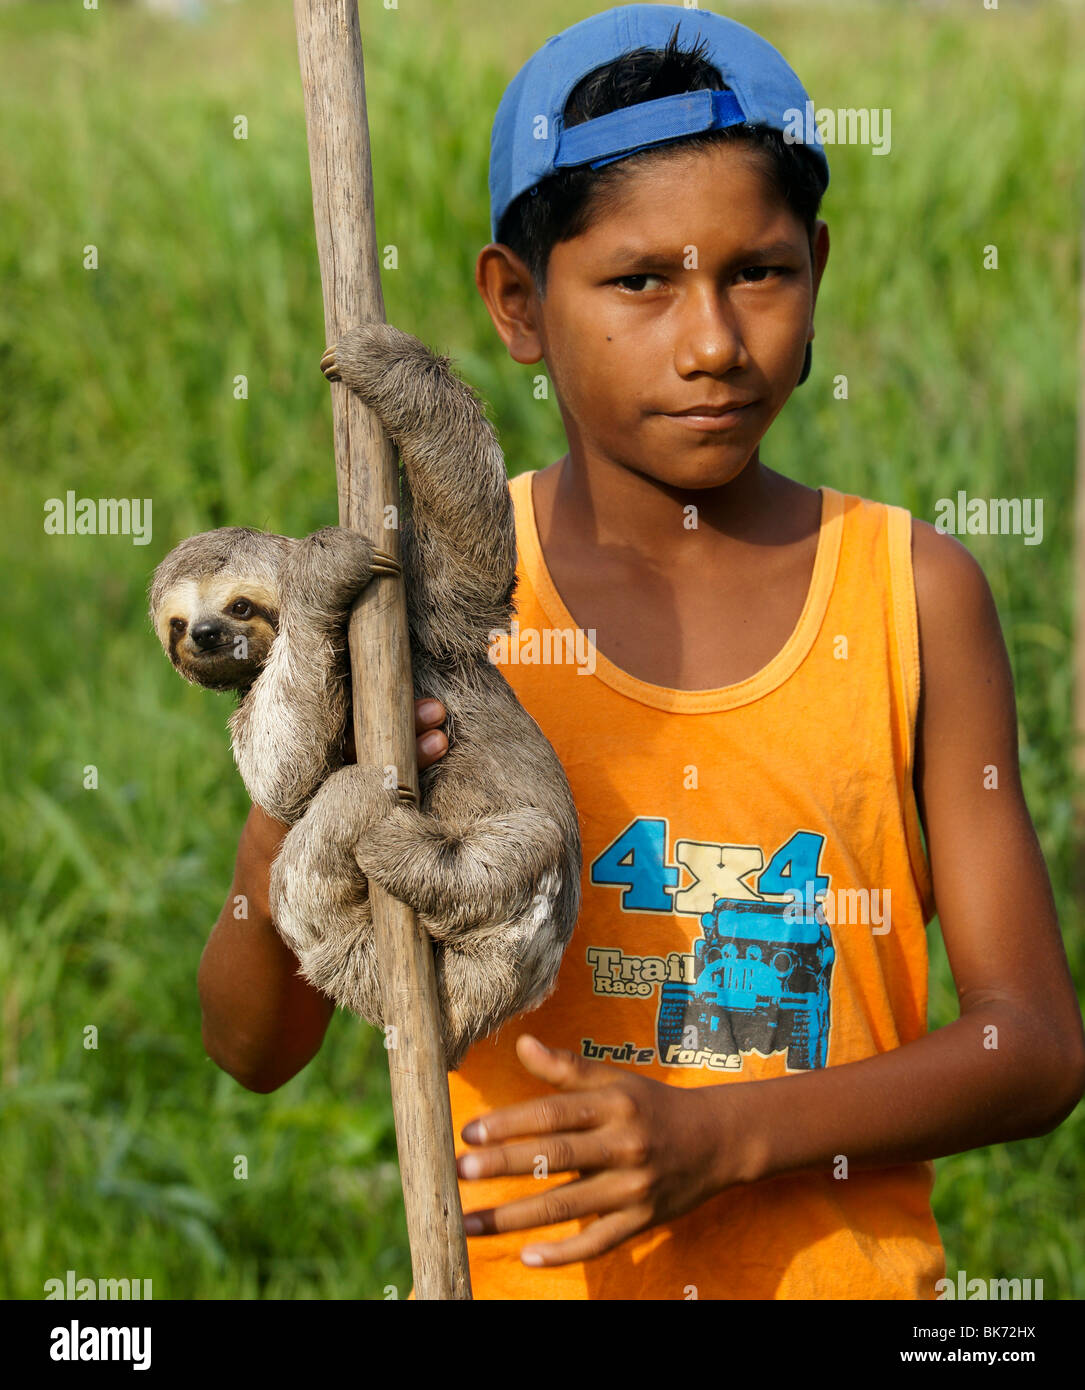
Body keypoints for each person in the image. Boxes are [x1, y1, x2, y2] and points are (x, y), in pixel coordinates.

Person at [197, 4, 1085, 1299]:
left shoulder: (909, 595)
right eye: (639, 283)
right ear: (517, 303)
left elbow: (1034, 1044)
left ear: (819, 268)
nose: (714, 340)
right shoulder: (421, 602)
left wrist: (722, 1136)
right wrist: (292, 808)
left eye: (758, 272)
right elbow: (249, 1045)